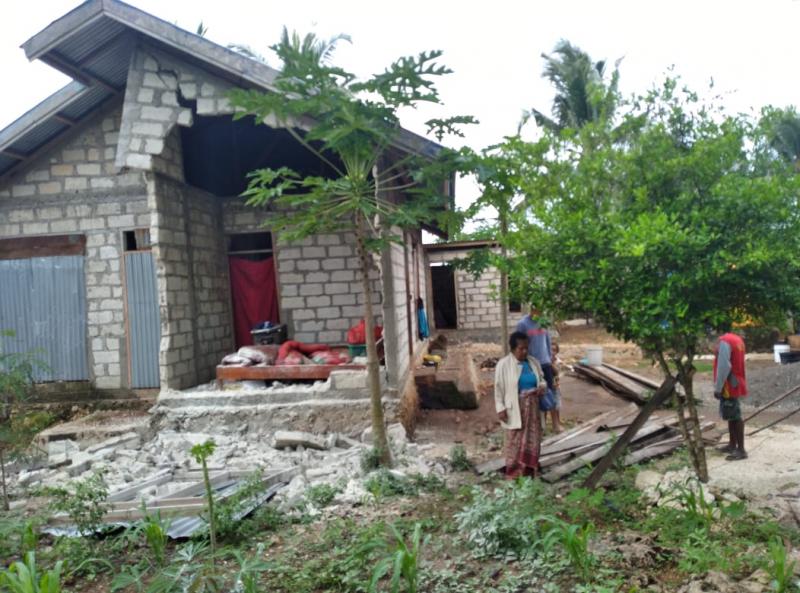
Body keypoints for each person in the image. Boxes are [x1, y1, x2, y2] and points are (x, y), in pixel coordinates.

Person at [495, 331, 546, 478]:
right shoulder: (503, 365)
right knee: (515, 440)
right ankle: (514, 473)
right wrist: (500, 408)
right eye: (521, 348)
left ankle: (530, 471)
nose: (524, 351)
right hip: (515, 409)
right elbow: (498, 389)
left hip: (533, 409)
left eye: (526, 348)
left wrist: (542, 386)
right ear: (512, 349)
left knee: (533, 439)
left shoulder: (533, 362)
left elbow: (541, 379)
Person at [516, 306, 562, 433]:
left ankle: (555, 424)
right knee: (532, 394)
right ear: (532, 309)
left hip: (545, 363)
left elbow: (548, 342)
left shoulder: (544, 322)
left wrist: (551, 359)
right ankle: (536, 426)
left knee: (550, 392)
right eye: (538, 309)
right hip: (531, 364)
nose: (540, 312)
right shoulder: (522, 324)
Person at [713, 330, 748, 461]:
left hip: (729, 384)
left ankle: (741, 449)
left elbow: (723, 366)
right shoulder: (737, 340)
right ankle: (732, 444)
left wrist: (718, 387)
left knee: (736, 416)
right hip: (737, 380)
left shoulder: (724, 342)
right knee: (731, 415)